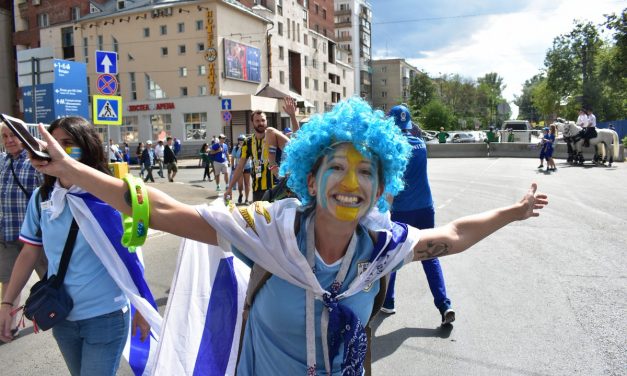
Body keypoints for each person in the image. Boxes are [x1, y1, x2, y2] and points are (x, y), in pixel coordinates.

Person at [28, 98, 548, 375]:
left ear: (382, 184)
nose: (351, 183)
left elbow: (453, 235)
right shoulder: (268, 231)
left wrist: (514, 210)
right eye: (337, 167)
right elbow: (160, 208)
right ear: (310, 174)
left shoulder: (382, 248)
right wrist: (75, 172)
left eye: (367, 172)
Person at [0, 117, 152, 375]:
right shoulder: (42, 198)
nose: (58, 150)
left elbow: (132, 254)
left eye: (68, 143)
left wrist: (143, 306)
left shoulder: (111, 194)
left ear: (87, 146)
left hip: (106, 317)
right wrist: (6, 305)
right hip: (61, 317)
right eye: (53, 143)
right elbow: (29, 252)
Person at [382, 105, 454, 324]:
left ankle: (388, 301)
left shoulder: (392, 148)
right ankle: (444, 305)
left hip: (401, 211)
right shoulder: (420, 144)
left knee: (391, 255)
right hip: (425, 208)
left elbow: (391, 185)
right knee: (430, 256)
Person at [0, 122, 46, 338]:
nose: (9, 140)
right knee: (9, 283)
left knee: (50, 278)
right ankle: (7, 326)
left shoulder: (34, 161)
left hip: (35, 237)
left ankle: (67, 316)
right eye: (4, 136)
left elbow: (47, 197)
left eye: (13, 135)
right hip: (7, 234)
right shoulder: (1, 163)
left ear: (23, 137)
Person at [230, 134, 251, 204]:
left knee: (247, 183)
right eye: (240, 140)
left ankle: (247, 199)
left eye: (243, 140)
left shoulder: (248, 147)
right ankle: (240, 194)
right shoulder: (235, 148)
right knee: (240, 184)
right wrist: (232, 166)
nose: (241, 141)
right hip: (238, 167)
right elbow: (232, 158)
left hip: (247, 167)